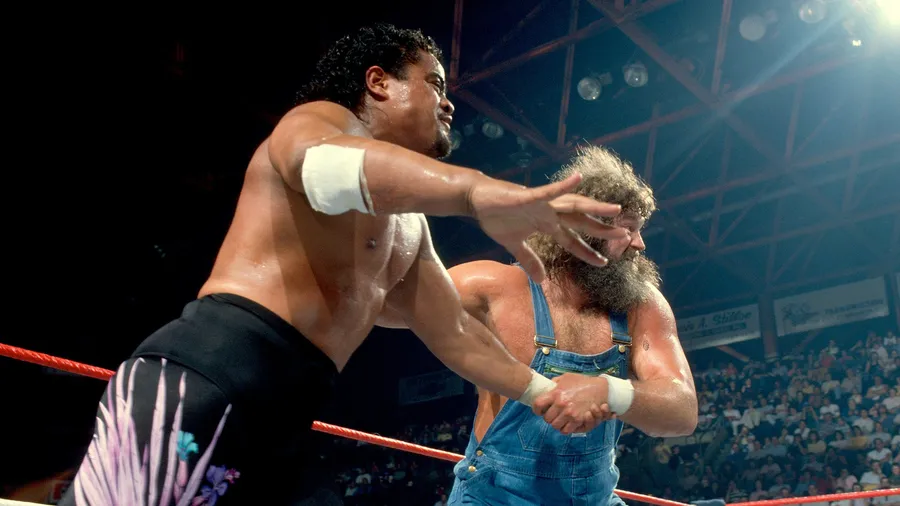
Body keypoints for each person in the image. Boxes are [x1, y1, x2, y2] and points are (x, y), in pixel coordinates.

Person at [59, 24, 628, 506]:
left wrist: (543, 393)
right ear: (378, 82)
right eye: (433, 83)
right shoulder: (318, 121)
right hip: (213, 369)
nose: (449, 102)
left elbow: (455, 332)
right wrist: (474, 192)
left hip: (289, 409)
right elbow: (317, 167)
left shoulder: (409, 225)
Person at [445, 145, 699, 505]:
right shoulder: (494, 287)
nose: (640, 244)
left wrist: (609, 391)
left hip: (595, 498)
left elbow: (683, 410)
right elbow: (393, 302)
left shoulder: (640, 305)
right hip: (496, 497)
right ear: (586, 229)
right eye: (628, 228)